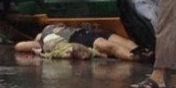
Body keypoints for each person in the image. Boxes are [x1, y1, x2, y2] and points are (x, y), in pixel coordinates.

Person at [15, 23, 149, 62]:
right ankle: (137, 57)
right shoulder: (43, 40)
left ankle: (144, 52)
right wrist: (38, 44)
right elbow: (19, 46)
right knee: (110, 46)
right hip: (77, 36)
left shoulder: (51, 27)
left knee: (123, 42)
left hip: (86, 30)